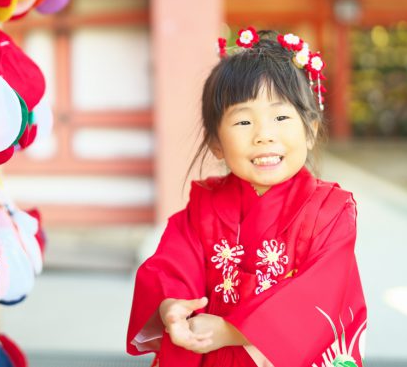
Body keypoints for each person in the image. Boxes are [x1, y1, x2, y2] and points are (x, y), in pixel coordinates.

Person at [126, 28, 367, 367]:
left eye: (281, 117)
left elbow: (322, 294)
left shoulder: (330, 212)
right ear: (216, 144)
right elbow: (172, 265)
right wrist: (173, 307)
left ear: (310, 132)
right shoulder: (203, 208)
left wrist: (231, 331)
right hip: (211, 355)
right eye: (242, 121)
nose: (264, 135)